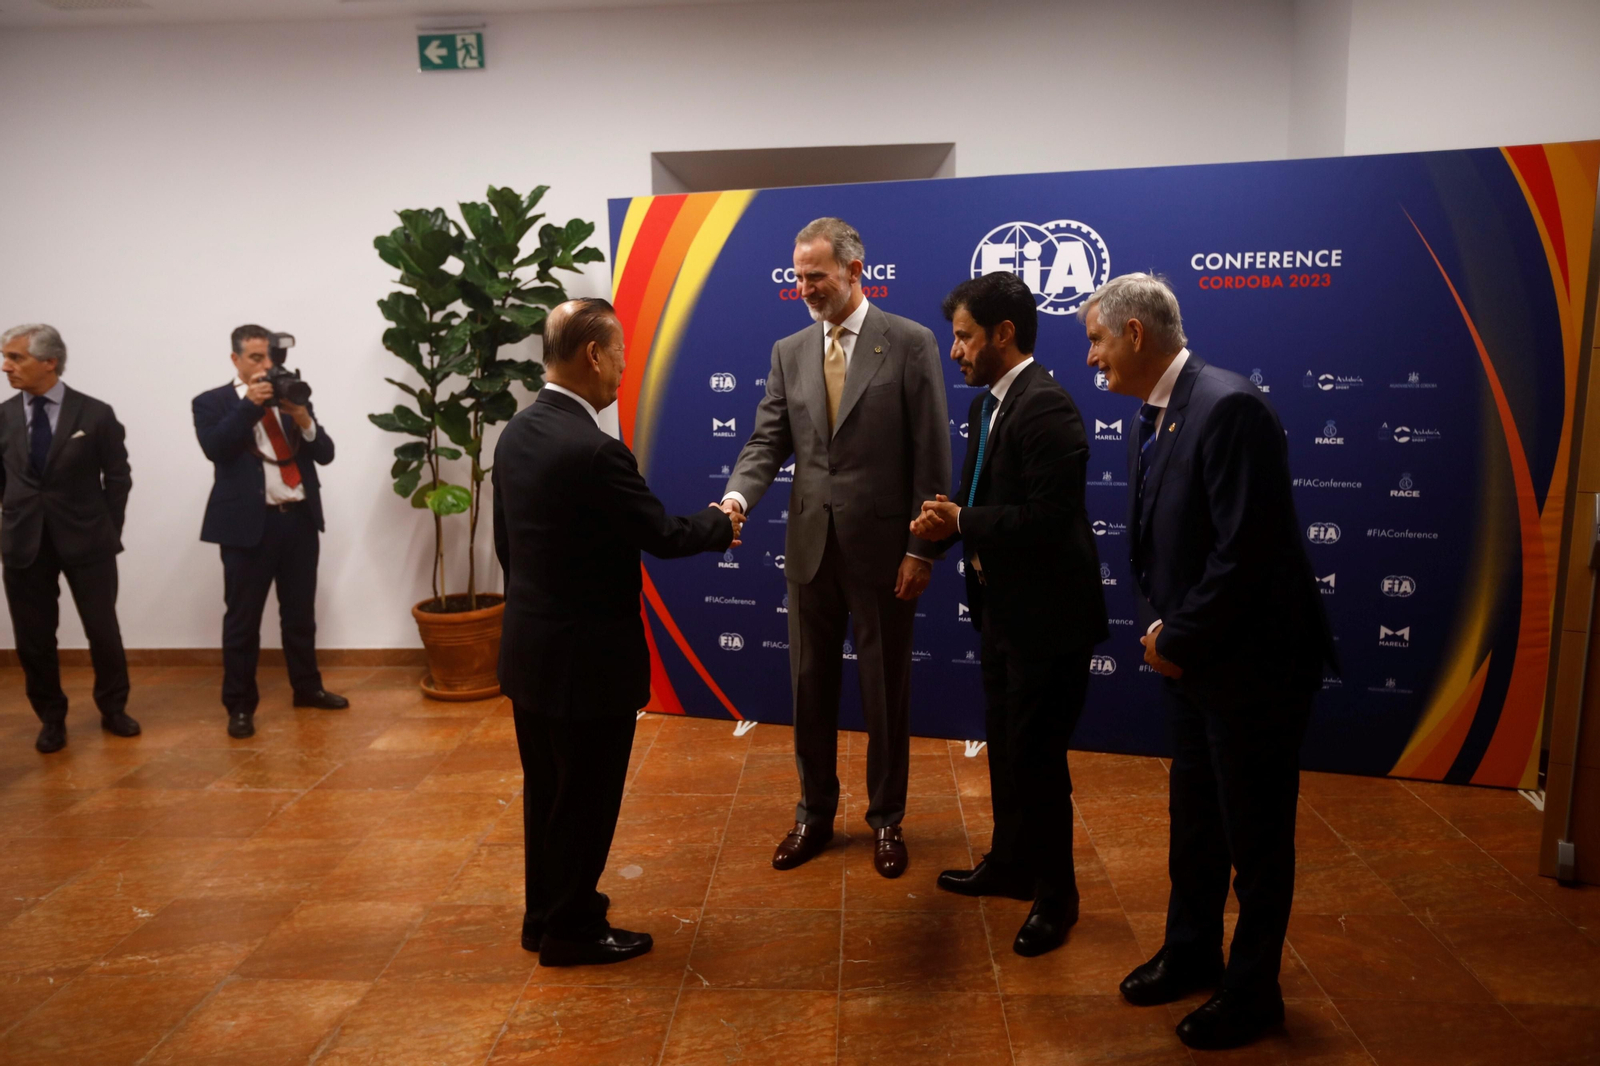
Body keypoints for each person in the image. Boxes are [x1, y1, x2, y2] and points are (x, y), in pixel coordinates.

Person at [1081, 274, 1336, 1050]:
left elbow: (1245, 554)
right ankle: (1190, 952)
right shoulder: (1151, 418)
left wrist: (1177, 637)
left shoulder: (1229, 407)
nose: (1090, 359)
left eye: (1095, 340)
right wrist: (1163, 632)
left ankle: (1253, 992)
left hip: (1253, 668)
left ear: (1133, 335)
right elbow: (1158, 546)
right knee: (1194, 822)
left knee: (1255, 839)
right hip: (1193, 661)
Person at [494, 298, 739, 967]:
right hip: (587, 663)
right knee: (586, 799)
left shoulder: (515, 434)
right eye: (621, 356)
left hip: (531, 652)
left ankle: (542, 916)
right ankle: (572, 931)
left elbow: (507, 549)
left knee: (547, 791)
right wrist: (721, 522)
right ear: (594, 355)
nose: (623, 372)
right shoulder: (597, 451)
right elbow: (661, 534)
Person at [721, 217, 951, 879]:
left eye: (816, 276)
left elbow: (932, 456)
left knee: (885, 694)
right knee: (809, 688)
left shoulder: (910, 344)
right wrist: (737, 497)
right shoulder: (788, 351)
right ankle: (813, 816)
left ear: (855, 270)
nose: (805, 289)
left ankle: (887, 821)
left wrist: (922, 549)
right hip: (809, 549)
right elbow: (768, 443)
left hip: (886, 552)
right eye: (798, 278)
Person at [910, 272, 1108, 956]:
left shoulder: (1047, 407)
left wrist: (964, 518)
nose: (954, 350)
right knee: (1008, 751)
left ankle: (1058, 898)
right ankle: (1013, 864)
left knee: (1039, 760)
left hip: (1049, 622)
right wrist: (951, 520)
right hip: (1001, 613)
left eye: (964, 336)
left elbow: (1050, 522)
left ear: (1004, 334)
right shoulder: (987, 407)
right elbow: (988, 503)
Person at [193, 325, 345, 740]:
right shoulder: (212, 402)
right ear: (236, 360)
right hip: (247, 528)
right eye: (257, 358)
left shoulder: (290, 393)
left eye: (270, 358)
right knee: (242, 622)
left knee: (299, 615)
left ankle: (307, 688)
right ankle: (240, 706)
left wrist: (303, 418)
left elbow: (325, 453)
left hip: (297, 520)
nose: (267, 366)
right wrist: (249, 406)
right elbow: (216, 448)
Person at [0, 324, 136, 753]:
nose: (6, 366)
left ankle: (113, 708)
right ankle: (51, 717)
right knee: (34, 637)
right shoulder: (2, 416)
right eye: (6, 357)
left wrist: (109, 530)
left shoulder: (94, 414)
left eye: (16, 357)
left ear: (49, 361)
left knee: (102, 630)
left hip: (88, 541)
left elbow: (118, 478)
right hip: (24, 542)